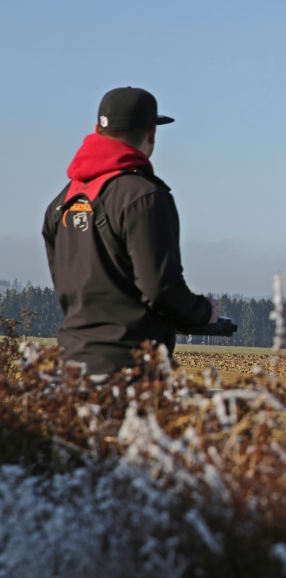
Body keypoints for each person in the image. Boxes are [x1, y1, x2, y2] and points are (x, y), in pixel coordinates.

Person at [42, 87, 219, 375]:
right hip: (129, 370)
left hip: (71, 366)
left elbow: (65, 287)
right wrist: (204, 311)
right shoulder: (144, 197)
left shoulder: (61, 202)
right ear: (151, 133)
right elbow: (160, 289)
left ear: (98, 130)